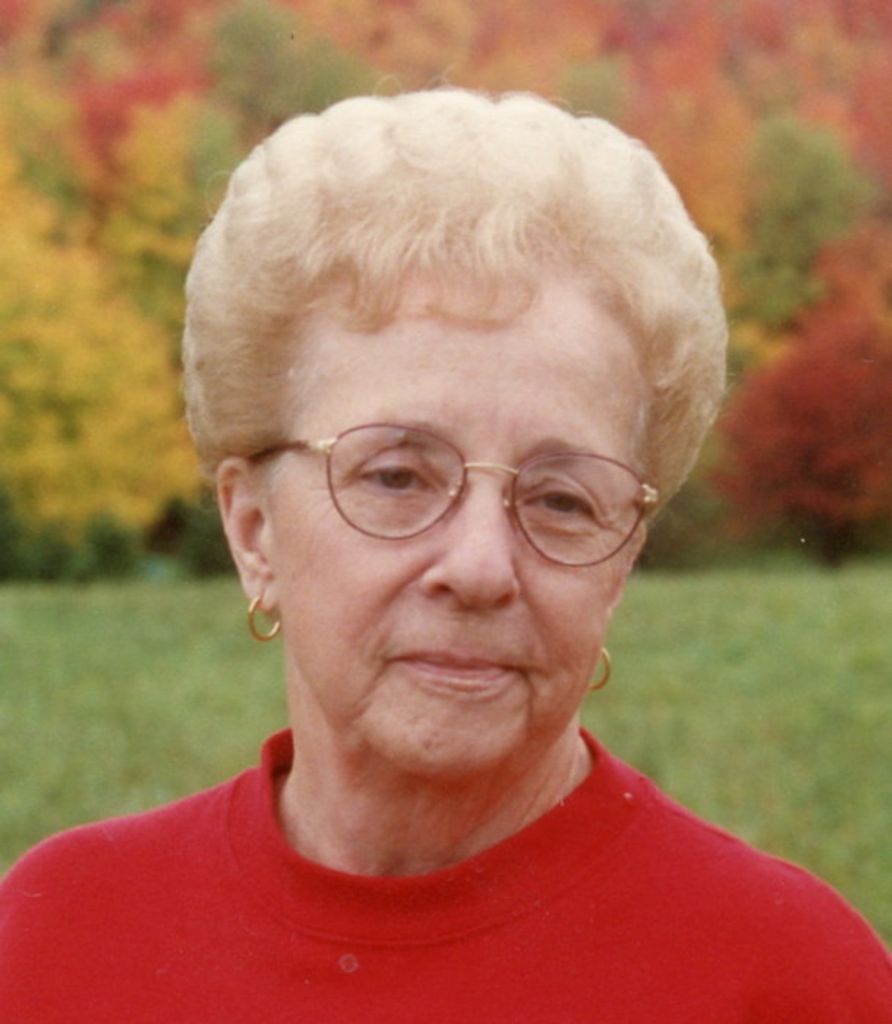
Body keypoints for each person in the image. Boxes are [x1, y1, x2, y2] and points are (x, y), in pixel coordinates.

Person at [1, 88, 890, 1022]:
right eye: (396, 477)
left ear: (622, 558)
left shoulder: (786, 977)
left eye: (560, 499)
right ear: (253, 527)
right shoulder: (59, 936)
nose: (480, 568)